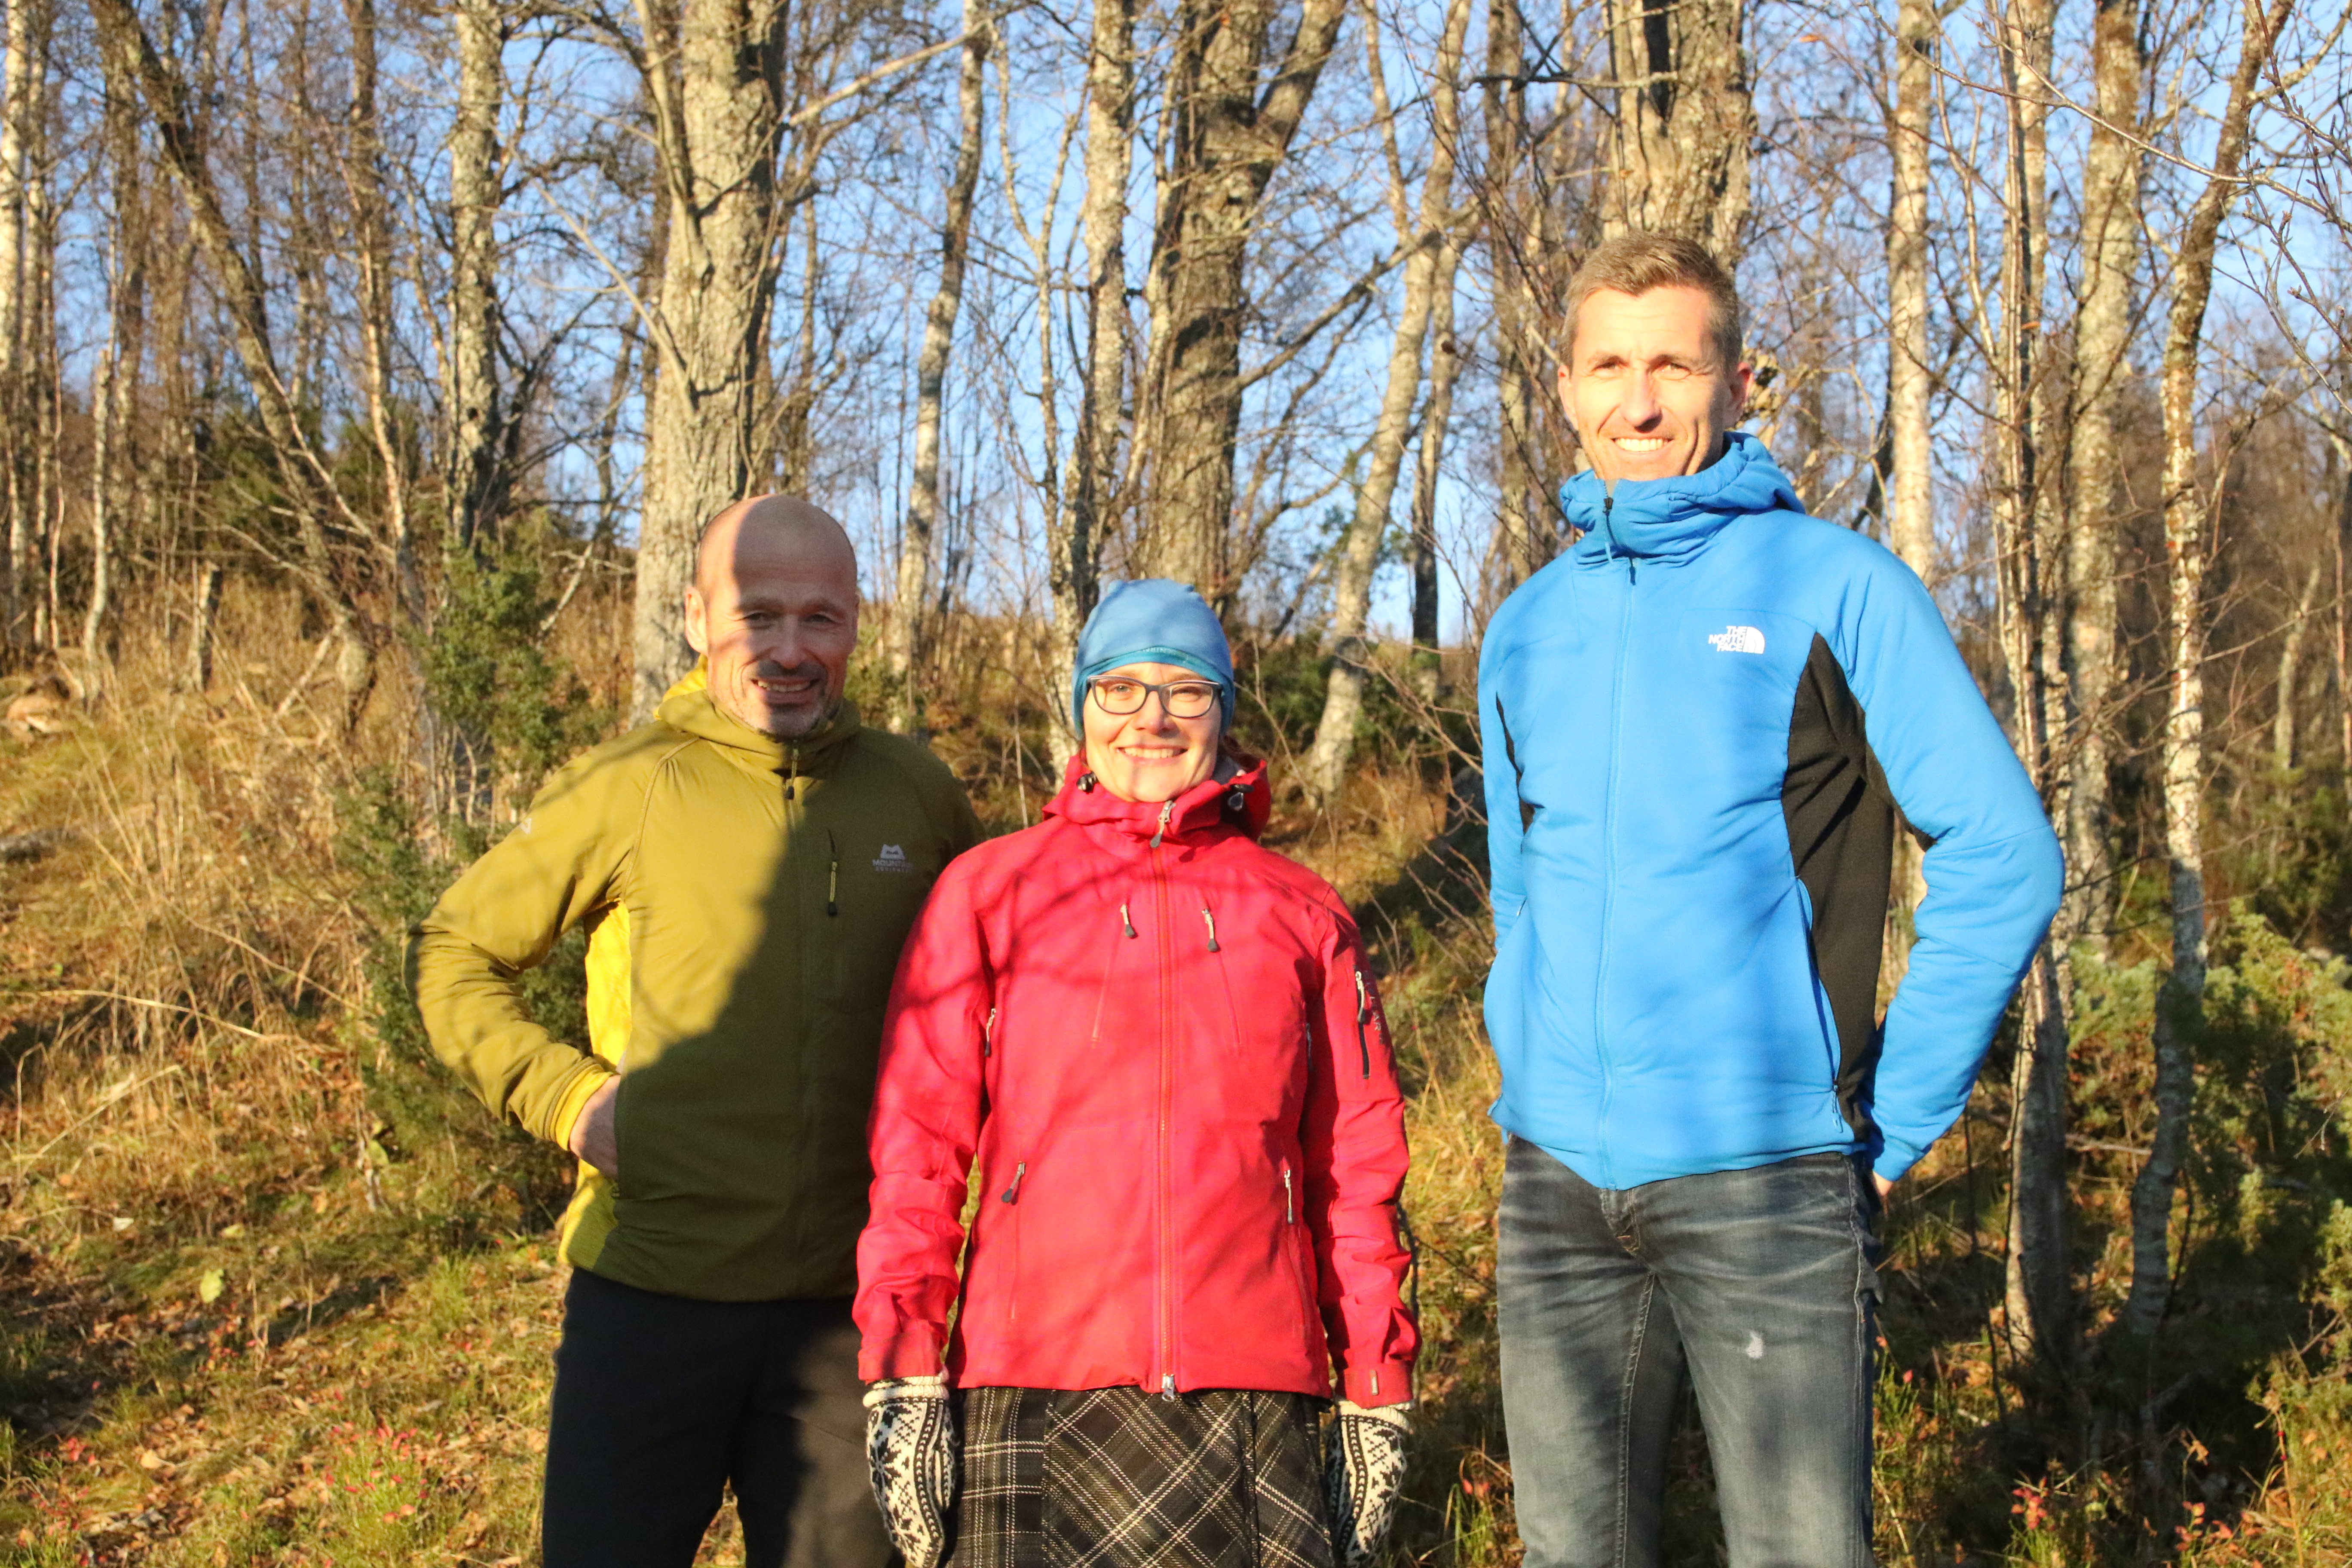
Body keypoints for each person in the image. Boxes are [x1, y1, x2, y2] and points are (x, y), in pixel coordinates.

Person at [1478, 234, 2062, 1567]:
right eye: (1608, 367)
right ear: (1564, 386)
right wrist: (1528, 1063)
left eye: (1674, 367)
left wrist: (1891, 1120)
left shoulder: (1834, 586)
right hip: (1556, 1183)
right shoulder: (1526, 627)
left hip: (1769, 1177)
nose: (1639, 403)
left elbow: (2004, 854)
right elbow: (1522, 889)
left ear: (1739, 384)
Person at [409, 495, 982, 1568]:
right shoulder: (627, 784)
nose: (789, 651)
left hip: (848, 1312)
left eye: (820, 618)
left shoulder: (917, 797)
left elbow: (993, 1001)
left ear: (857, 624)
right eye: (757, 615)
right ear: (694, 616)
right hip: (651, 1295)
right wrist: (567, 1099)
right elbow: (455, 953)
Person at [851, 579, 1419, 1568]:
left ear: (1223, 713)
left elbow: (1356, 1170)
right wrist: (904, 1369)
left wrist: (1377, 1383)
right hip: (1032, 1375)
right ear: (1082, 706)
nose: (1150, 719)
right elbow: (919, 1153)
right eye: (1119, 689)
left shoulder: (1303, 913)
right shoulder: (989, 892)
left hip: (1252, 1389)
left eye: (1185, 691)